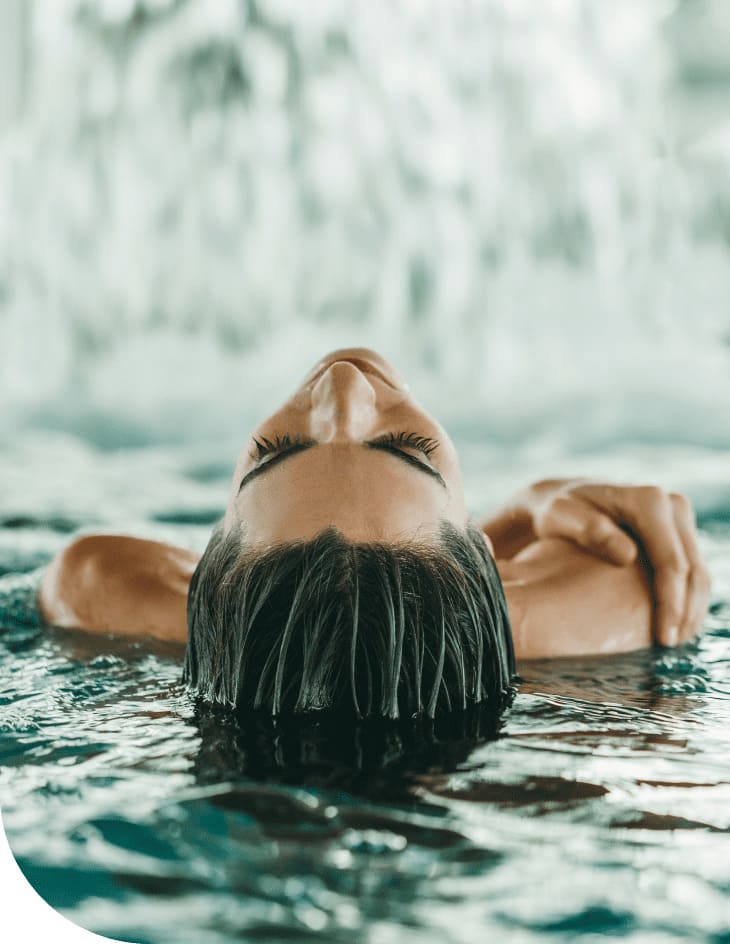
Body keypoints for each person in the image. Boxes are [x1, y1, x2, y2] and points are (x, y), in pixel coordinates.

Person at [3, 348, 712, 729]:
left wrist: (472, 559)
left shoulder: (95, 589)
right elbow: (631, 581)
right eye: (410, 451)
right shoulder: (618, 606)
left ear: (202, 583)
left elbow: (89, 574)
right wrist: (509, 525)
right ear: (494, 573)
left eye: (274, 452)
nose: (343, 389)